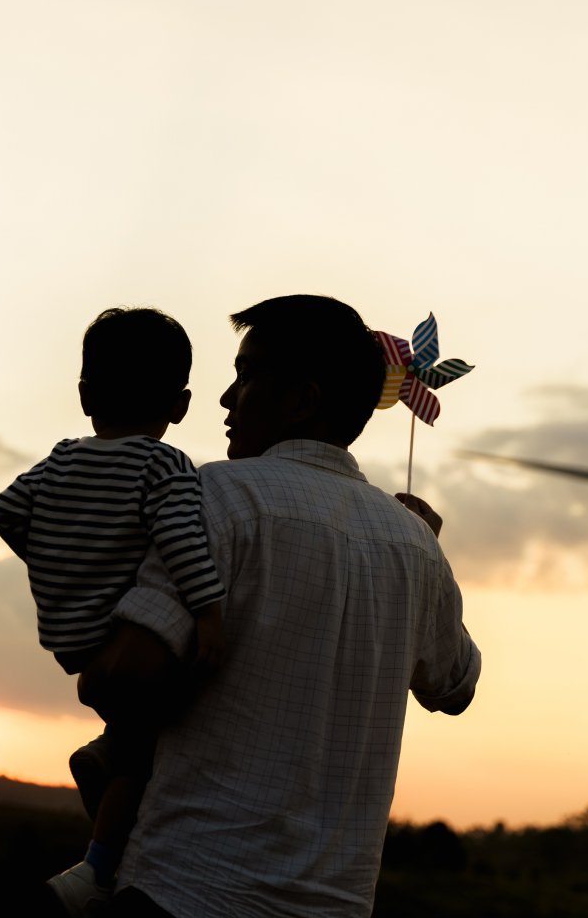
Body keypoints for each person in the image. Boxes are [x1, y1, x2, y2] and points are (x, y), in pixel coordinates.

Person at [79, 294, 481, 918]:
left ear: (304, 399)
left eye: (247, 374)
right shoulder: (416, 547)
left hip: (184, 890)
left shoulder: (212, 496)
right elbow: (455, 685)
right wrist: (426, 551)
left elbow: (126, 675)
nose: (225, 398)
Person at [0, 307, 226, 915]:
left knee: (131, 726)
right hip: (122, 631)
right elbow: (179, 542)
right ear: (181, 404)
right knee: (146, 748)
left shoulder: (63, 457)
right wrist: (207, 612)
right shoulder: (163, 466)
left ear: (86, 395)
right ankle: (96, 867)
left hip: (70, 633)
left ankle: (106, 749)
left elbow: (4, 511)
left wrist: (57, 559)